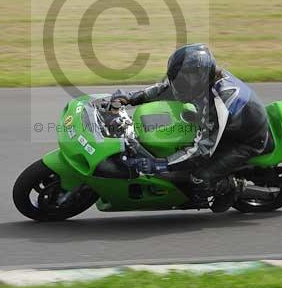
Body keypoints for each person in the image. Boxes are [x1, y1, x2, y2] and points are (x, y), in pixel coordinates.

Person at [117, 43, 273, 212]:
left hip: (246, 139)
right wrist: (131, 98)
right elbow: (165, 89)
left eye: (182, 80)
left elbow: (202, 150)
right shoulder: (204, 82)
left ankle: (231, 188)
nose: (177, 84)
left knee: (199, 177)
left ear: (197, 78)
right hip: (230, 124)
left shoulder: (219, 103)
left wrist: (161, 164)